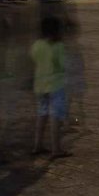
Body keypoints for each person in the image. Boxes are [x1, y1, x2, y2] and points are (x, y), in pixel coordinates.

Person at [30, 16, 69, 159]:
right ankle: (56, 149)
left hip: (40, 85)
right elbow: (63, 65)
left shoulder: (37, 44)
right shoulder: (58, 46)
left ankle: (37, 145)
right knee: (55, 117)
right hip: (55, 85)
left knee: (42, 115)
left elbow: (34, 59)